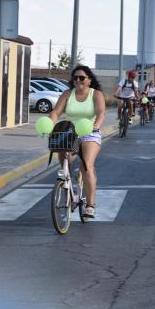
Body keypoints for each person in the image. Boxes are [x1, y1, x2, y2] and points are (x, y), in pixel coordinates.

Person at [49, 66, 106, 218]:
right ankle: (67, 179)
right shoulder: (68, 94)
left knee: (87, 164)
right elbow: (56, 112)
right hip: (71, 130)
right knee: (62, 151)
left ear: (89, 80)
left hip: (89, 132)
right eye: (75, 78)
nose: (78, 80)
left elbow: (101, 113)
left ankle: (90, 205)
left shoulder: (96, 94)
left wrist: (96, 127)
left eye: (81, 78)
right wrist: (50, 123)